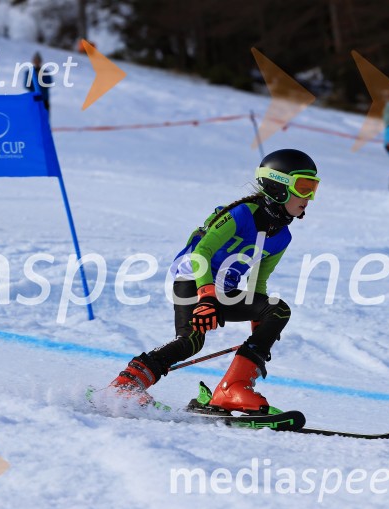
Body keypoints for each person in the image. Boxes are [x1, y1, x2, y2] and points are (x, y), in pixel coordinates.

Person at [107, 149, 320, 414]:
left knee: (277, 310)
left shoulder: (282, 237)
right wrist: (206, 297)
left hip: (224, 291)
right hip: (193, 280)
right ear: (278, 187)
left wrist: (261, 324)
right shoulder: (242, 214)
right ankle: (126, 384)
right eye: (303, 187)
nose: (309, 197)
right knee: (191, 341)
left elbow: (258, 281)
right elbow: (201, 252)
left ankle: (232, 389)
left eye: (313, 188)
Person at [24, 52, 53, 117]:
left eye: (38, 61)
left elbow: (49, 83)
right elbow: (26, 85)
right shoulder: (29, 72)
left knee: (44, 117)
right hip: (33, 98)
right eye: (35, 60)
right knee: (33, 116)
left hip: (44, 99)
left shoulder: (45, 72)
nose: (37, 62)